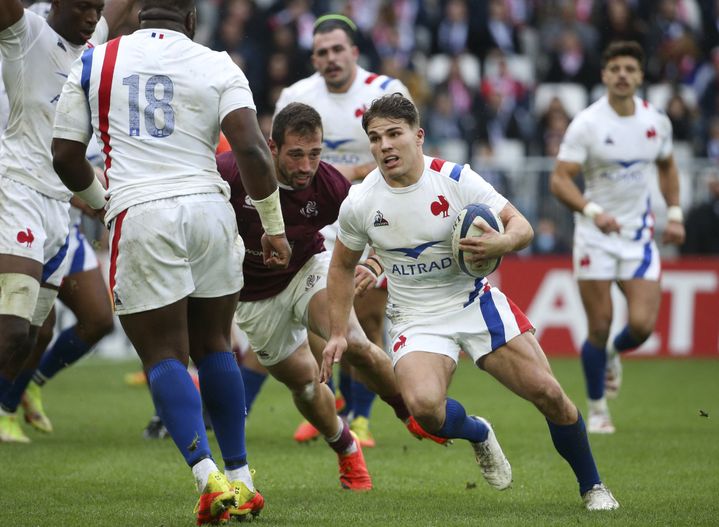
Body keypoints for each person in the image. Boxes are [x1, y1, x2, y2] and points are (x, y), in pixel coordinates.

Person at [50, 0, 291, 523]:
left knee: (163, 353)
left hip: (142, 211)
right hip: (210, 208)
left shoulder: (96, 61)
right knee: (214, 347)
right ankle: (244, 479)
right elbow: (251, 149)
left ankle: (209, 480)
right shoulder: (218, 63)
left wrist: (99, 200)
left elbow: (65, 155)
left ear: (140, 15)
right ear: (191, 20)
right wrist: (273, 227)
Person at [322, 93, 619, 511]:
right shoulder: (360, 201)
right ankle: (478, 431)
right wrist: (338, 330)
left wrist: (503, 240)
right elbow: (340, 267)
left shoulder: (456, 178)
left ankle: (593, 487)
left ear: (418, 135)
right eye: (375, 138)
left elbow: (523, 226)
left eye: (394, 134)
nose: (384, 145)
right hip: (415, 317)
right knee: (424, 409)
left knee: (549, 394)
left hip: (472, 301)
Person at [218, 102, 447, 490]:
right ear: (272, 149)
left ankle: (407, 411)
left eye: (315, 154)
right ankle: (345, 446)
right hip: (254, 297)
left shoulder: (330, 186)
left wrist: (374, 264)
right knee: (306, 385)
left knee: (353, 341)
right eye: (296, 155)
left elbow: (382, 222)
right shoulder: (231, 172)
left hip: (308, 273)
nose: (306, 166)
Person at [267, 13, 413, 446]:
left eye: (337, 50)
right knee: (324, 323)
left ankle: (363, 416)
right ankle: (335, 406)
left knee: (366, 317)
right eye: (321, 53)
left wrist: (345, 170)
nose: (330, 59)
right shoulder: (296, 95)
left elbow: (402, 156)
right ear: (313, 57)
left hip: (370, 213)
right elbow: (282, 157)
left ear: (354, 52)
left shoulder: (384, 92)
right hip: (313, 215)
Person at [0, 0, 131, 436]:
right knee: (13, 333)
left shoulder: (92, 45)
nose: (93, 17)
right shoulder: (27, 33)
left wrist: (94, 196)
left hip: (59, 210)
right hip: (16, 191)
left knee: (30, 340)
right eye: (83, 8)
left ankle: (17, 399)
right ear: (57, 5)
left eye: (97, 9)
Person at [550, 41, 685, 434]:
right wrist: (593, 212)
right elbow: (560, 180)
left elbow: (668, 166)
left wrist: (674, 213)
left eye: (630, 68)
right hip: (594, 236)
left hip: (639, 237)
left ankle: (611, 354)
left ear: (640, 76)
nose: (623, 75)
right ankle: (597, 409)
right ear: (605, 75)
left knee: (642, 327)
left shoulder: (655, 121)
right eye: (616, 69)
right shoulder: (588, 124)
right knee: (599, 324)